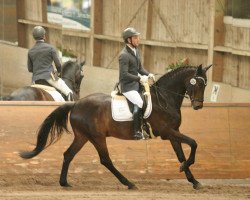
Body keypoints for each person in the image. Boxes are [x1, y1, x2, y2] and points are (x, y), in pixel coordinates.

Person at [119, 27, 155, 140]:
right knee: (139, 102)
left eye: (138, 37)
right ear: (129, 40)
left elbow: (140, 69)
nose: (138, 39)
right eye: (135, 37)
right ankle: (136, 132)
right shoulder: (124, 55)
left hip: (136, 84)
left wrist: (149, 74)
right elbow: (124, 75)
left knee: (148, 98)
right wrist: (139, 79)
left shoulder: (136, 51)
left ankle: (144, 125)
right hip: (127, 86)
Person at [27, 26, 74, 101]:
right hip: (49, 77)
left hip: (36, 80)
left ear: (34, 37)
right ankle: (69, 111)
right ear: (44, 36)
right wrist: (58, 72)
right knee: (69, 92)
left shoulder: (30, 51)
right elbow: (58, 65)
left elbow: (30, 69)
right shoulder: (50, 48)